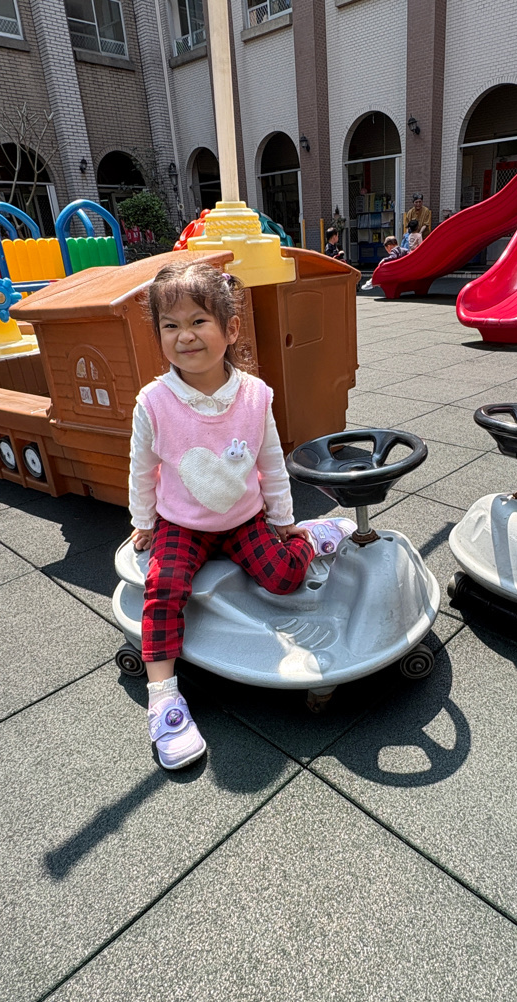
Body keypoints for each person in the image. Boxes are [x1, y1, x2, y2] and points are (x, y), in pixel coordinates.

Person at [129, 261, 355, 769]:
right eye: (170, 325)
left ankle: (313, 537)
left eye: (198, 321)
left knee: (283, 577)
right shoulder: (155, 402)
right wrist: (143, 520)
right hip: (181, 523)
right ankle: (163, 697)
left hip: (244, 519)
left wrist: (284, 520)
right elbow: (142, 467)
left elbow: (270, 461)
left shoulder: (254, 396)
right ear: (159, 335)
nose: (185, 335)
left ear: (230, 329)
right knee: (163, 586)